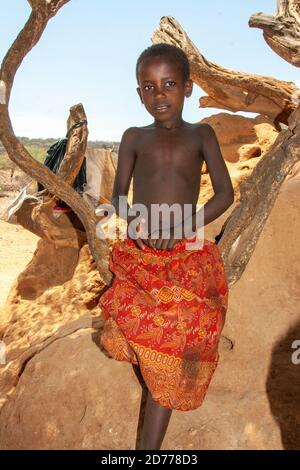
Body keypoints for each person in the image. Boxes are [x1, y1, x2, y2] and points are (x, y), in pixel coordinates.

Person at [98, 43, 234, 450]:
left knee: (185, 325)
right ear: (139, 93)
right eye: (149, 87)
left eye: (169, 84)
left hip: (188, 245)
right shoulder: (134, 137)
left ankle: (148, 450)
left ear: (188, 88)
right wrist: (138, 223)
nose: (159, 96)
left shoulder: (202, 134)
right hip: (141, 247)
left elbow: (225, 195)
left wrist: (181, 227)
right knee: (139, 322)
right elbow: (118, 195)